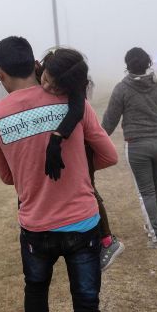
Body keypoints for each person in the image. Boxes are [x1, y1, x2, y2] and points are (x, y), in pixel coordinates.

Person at [0, 37, 117, 312]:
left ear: (0, 73)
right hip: (83, 224)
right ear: (35, 64)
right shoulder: (73, 102)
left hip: (35, 226)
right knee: (87, 305)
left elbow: (8, 177)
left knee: (36, 290)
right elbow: (108, 155)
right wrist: (76, 170)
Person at [38, 50, 124, 271]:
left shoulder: (76, 87)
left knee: (88, 187)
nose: (47, 88)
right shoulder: (39, 67)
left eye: (57, 89)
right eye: (46, 80)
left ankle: (107, 240)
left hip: (79, 145)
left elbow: (77, 109)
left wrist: (57, 138)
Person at [102, 47, 157, 249]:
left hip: (137, 146)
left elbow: (109, 122)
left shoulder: (122, 89)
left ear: (127, 65)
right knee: (156, 188)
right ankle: (153, 225)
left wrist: (97, 142)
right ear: (148, 64)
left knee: (146, 191)